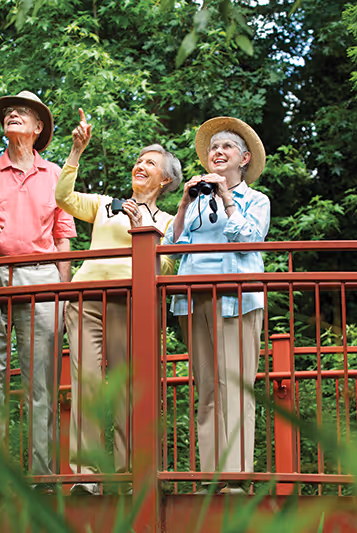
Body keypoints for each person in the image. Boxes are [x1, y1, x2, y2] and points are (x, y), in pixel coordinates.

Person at [0, 90, 77, 493]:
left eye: (22, 112)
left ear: (38, 127)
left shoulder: (56, 174)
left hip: (39, 276)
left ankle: (42, 476)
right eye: (9, 112)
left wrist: (63, 287)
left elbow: (64, 238)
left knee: (40, 380)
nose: (13, 115)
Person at [56, 109, 182, 495]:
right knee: (87, 385)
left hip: (131, 305)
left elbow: (166, 267)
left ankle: (133, 475)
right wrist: (76, 152)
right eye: (139, 160)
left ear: (166, 180)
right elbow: (63, 198)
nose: (140, 165)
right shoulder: (106, 204)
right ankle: (86, 475)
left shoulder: (169, 221)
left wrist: (142, 221)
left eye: (151, 163)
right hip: (86, 301)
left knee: (130, 387)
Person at [163, 117, 269, 495]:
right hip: (193, 299)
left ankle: (236, 478)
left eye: (226, 147)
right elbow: (169, 251)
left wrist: (226, 199)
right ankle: (210, 477)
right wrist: (183, 204)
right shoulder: (195, 202)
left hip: (237, 299)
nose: (217, 152)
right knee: (206, 389)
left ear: (243, 159)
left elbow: (249, 241)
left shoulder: (256, 200)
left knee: (236, 387)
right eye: (213, 148)